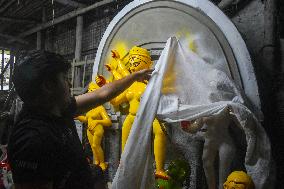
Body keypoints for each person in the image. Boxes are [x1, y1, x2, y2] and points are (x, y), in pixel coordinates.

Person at [7, 50, 152, 189]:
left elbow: (102, 94)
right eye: (65, 79)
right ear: (48, 86)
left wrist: (134, 77)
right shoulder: (32, 140)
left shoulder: (58, 109)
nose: (70, 85)